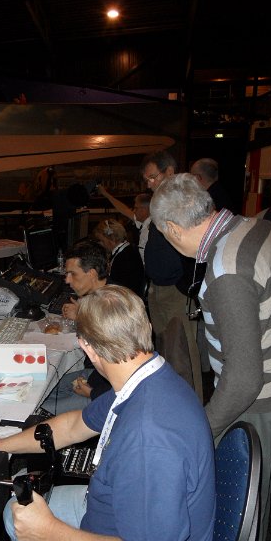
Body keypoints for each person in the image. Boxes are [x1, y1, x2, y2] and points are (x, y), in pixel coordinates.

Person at [0, 285, 216, 541]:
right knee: (13, 511)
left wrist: (51, 532)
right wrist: (0, 445)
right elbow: (74, 425)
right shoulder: (144, 379)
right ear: (146, 327)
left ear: (87, 348)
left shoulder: (150, 440)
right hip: (118, 516)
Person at [150, 173, 271, 541]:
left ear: (173, 229)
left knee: (238, 514)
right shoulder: (255, 226)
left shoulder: (227, 268)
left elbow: (242, 382)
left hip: (265, 398)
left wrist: (202, 429)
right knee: (255, 495)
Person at [140, 150, 203, 400]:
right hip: (158, 288)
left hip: (176, 292)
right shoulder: (162, 203)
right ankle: (172, 404)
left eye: (153, 177)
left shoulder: (184, 200)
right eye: (146, 180)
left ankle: (193, 410)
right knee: (166, 354)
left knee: (183, 355)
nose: (149, 184)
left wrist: (183, 286)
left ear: (169, 172)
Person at [41, 240, 111, 414]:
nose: (67, 280)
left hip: (107, 394)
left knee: (40, 411)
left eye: (73, 274)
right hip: (97, 376)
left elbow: (126, 372)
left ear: (92, 273)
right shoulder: (101, 296)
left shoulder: (113, 307)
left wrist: (92, 393)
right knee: (43, 391)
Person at [96, 185, 152, 264]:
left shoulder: (150, 229)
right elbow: (124, 209)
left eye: (136, 208)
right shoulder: (144, 221)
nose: (134, 211)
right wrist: (106, 194)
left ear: (144, 210)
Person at [92, 219, 144, 296]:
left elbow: (119, 286)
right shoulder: (127, 250)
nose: (101, 244)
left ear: (111, 239)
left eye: (101, 240)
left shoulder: (125, 257)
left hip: (126, 297)